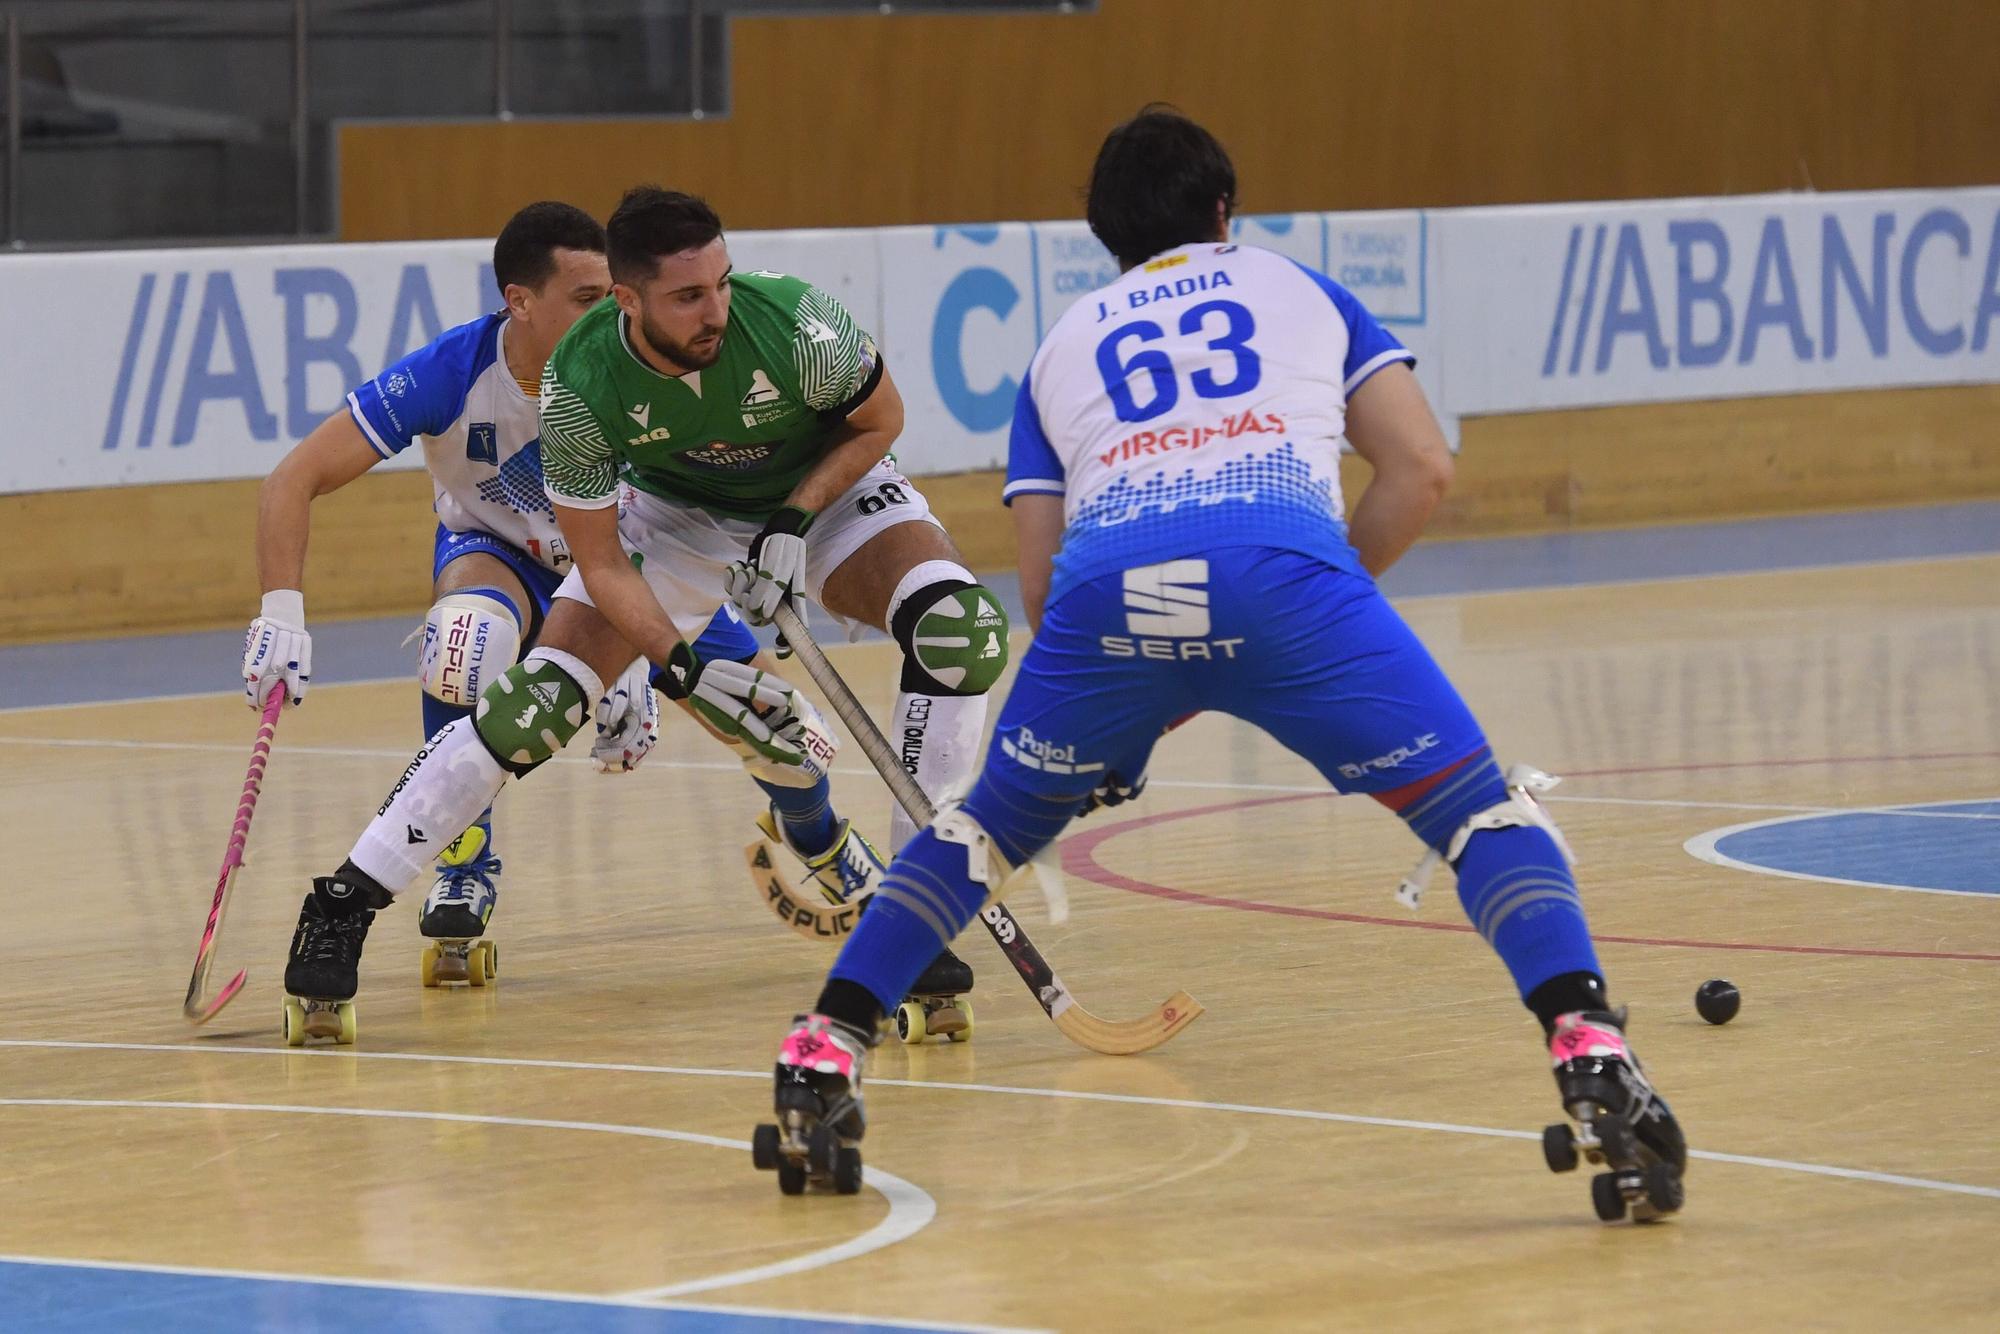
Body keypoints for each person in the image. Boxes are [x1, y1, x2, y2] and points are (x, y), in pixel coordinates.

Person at [757, 108, 1687, 1219]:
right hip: (1288, 574)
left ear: (1100, 235)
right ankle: (1587, 1047)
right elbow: (1420, 467)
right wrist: (1317, 598)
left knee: (977, 832)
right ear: (1224, 210)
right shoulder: (1298, 288)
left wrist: (1129, 713)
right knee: (1480, 816)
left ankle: (822, 1050)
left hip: (1106, 604)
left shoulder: (1062, 343)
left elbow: (1045, 593)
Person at [279, 187, 1011, 1040]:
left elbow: (879, 421)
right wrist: (683, 668)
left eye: (723, 284)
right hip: (674, 519)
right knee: (536, 704)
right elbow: (596, 562)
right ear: (627, 300)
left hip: (828, 495)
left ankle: (910, 919)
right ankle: (344, 901)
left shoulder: (800, 325)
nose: (717, 312)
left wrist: (793, 518)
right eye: (689, 297)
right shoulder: (580, 382)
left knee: (961, 632)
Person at [249, 200, 761, 997]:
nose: (611, 313)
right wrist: (280, 610)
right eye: (589, 298)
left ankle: (825, 844)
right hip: (498, 555)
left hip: (627, 566)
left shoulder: (642, 369)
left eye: (615, 295)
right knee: (462, 641)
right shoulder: (451, 374)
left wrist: (626, 665)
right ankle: (462, 862)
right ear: (520, 301)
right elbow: (295, 476)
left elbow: (675, 519)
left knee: (763, 715)